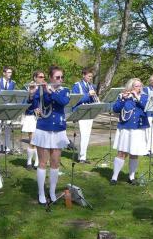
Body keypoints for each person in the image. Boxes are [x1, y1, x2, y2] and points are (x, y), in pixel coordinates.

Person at [30, 66, 70, 204]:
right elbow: (33, 106)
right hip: (44, 128)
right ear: (51, 78)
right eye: (57, 77)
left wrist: (51, 91)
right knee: (42, 162)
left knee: (55, 162)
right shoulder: (41, 89)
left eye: (62, 77)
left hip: (58, 129)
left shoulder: (65, 90)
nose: (60, 79)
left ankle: (52, 191)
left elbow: (63, 102)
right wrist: (32, 94)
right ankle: (41, 192)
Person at [110, 78, 149, 184]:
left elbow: (146, 108)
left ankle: (131, 177)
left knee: (134, 153)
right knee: (122, 152)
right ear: (131, 87)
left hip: (138, 128)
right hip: (126, 127)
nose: (139, 88)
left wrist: (137, 97)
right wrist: (123, 99)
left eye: (140, 86)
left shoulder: (144, 97)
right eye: (136, 86)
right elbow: (115, 109)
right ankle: (114, 177)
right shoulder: (123, 96)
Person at [71, 67, 98, 162]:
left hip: (90, 111)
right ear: (83, 75)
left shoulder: (91, 86)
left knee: (87, 135)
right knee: (83, 134)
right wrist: (88, 95)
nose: (91, 78)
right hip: (81, 112)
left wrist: (96, 99)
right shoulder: (77, 85)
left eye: (91, 76)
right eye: (89, 76)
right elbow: (75, 100)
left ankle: (83, 156)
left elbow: (92, 99)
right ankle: (81, 157)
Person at [22, 70, 44, 170]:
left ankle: (37, 162)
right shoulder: (28, 87)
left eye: (43, 77)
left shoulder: (43, 88)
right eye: (40, 77)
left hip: (41, 116)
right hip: (31, 115)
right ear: (35, 78)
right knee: (33, 140)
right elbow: (25, 103)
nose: (42, 79)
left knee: (39, 141)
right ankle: (29, 162)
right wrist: (31, 94)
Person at [0, 66, 16, 153]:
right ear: (4, 73)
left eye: (11, 72)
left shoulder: (12, 83)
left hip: (8, 108)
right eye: (8, 72)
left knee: (8, 127)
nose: (10, 74)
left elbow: (12, 95)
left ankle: (7, 147)